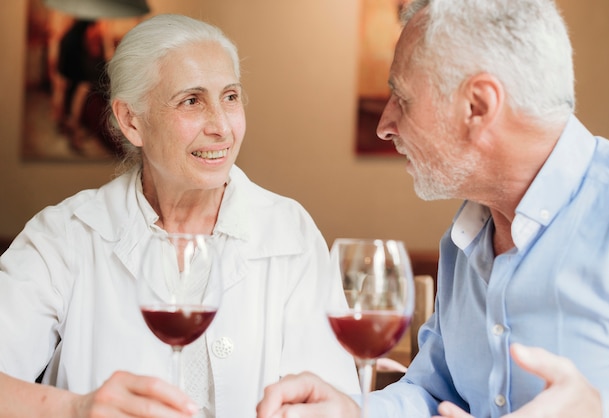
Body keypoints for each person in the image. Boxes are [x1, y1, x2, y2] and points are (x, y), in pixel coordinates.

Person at [256, 0, 609, 417]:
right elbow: (433, 392)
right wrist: (352, 411)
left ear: (478, 106)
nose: (384, 124)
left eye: (402, 97)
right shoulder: (465, 236)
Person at [0, 14, 359, 417]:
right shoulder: (63, 237)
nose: (222, 127)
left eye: (230, 96)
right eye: (192, 101)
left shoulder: (290, 232)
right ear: (131, 121)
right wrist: (76, 409)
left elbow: (335, 402)